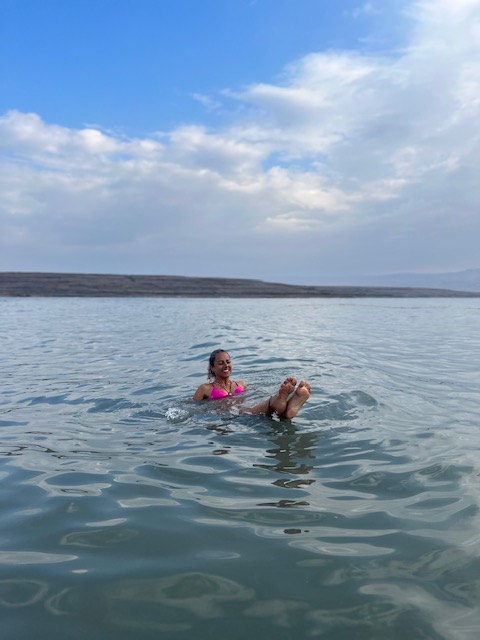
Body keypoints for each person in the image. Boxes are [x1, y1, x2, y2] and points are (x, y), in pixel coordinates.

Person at [193, 349, 311, 419]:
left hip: (247, 410)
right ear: (212, 368)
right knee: (251, 410)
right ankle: (282, 403)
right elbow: (192, 408)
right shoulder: (205, 389)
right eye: (220, 363)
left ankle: (285, 407)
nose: (226, 366)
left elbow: (253, 396)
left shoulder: (241, 384)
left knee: (274, 412)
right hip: (233, 416)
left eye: (228, 362)